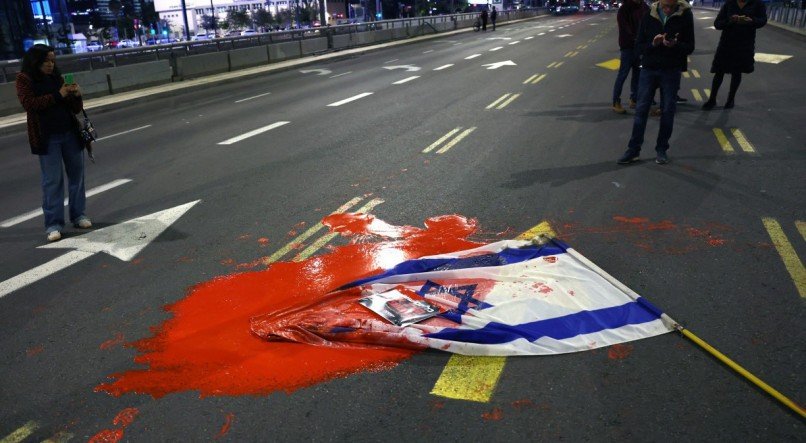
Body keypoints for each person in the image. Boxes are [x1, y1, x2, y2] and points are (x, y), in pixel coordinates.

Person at [16, 44, 92, 242]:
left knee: (77, 176)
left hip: (69, 133)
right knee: (52, 181)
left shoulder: (58, 78)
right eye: (46, 61)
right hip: (47, 138)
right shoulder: (24, 79)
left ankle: (78, 215)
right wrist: (59, 94)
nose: (51, 64)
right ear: (36, 61)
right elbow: (30, 104)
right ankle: (53, 224)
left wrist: (76, 95)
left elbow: (74, 108)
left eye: (53, 60)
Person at [617, 0, 694, 165]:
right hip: (649, 69)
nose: (667, 10)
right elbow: (638, 47)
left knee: (667, 111)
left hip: (671, 70)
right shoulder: (648, 15)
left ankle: (661, 149)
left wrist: (675, 44)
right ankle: (633, 150)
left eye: (671, 7)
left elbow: (690, 46)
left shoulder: (685, 16)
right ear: (659, 3)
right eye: (665, 6)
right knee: (641, 110)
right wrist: (653, 43)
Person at [702, 0, 767, 110]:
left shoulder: (757, 4)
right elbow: (717, 24)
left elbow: (763, 20)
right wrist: (730, 20)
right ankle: (712, 99)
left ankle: (730, 99)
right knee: (719, 72)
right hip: (727, 43)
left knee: (737, 72)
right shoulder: (729, 3)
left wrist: (751, 21)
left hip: (745, 44)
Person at [612, 0, 650, 114]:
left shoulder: (644, 7)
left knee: (637, 74)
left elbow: (648, 23)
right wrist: (637, 39)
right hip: (628, 47)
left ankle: (634, 99)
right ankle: (616, 102)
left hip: (639, 47)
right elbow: (624, 28)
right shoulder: (624, 8)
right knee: (623, 74)